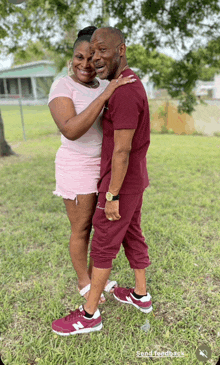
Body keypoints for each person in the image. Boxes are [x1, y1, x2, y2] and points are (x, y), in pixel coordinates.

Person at [51, 26, 152, 336]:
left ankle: (89, 315)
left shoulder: (121, 90)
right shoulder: (119, 85)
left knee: (104, 243)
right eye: (87, 54)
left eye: (99, 52)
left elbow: (121, 151)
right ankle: (139, 294)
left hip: (117, 179)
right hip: (115, 175)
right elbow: (72, 129)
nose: (92, 60)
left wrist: (112, 195)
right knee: (126, 233)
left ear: (120, 50)